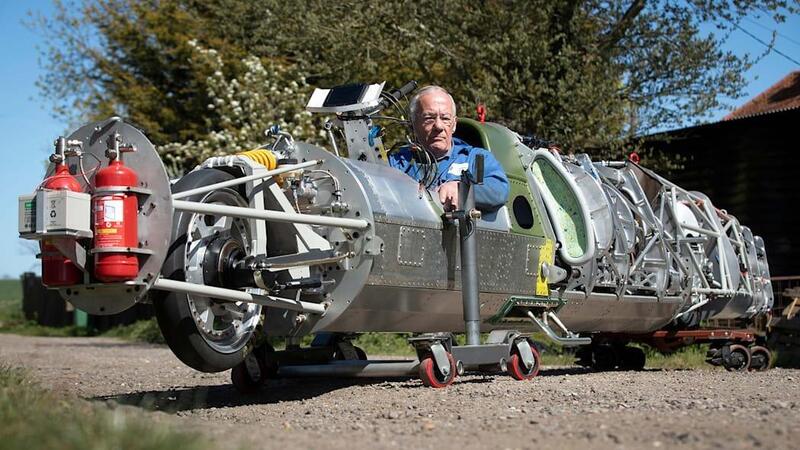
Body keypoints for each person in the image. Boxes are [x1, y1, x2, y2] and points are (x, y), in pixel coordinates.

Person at [388, 86, 509, 213]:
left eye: (445, 118)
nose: (439, 126)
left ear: (454, 124)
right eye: (429, 118)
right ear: (413, 124)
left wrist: (461, 190)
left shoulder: (475, 158)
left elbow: (499, 190)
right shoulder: (396, 163)